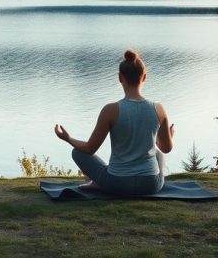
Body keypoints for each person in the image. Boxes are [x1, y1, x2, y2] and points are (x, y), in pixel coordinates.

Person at [54, 49, 174, 196]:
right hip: (150, 185)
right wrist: (169, 136)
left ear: (119, 78)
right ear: (144, 77)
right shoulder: (158, 109)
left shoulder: (111, 110)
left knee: (77, 152)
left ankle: (99, 183)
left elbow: (89, 149)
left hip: (117, 184)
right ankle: (99, 183)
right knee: (159, 154)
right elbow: (166, 148)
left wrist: (68, 138)